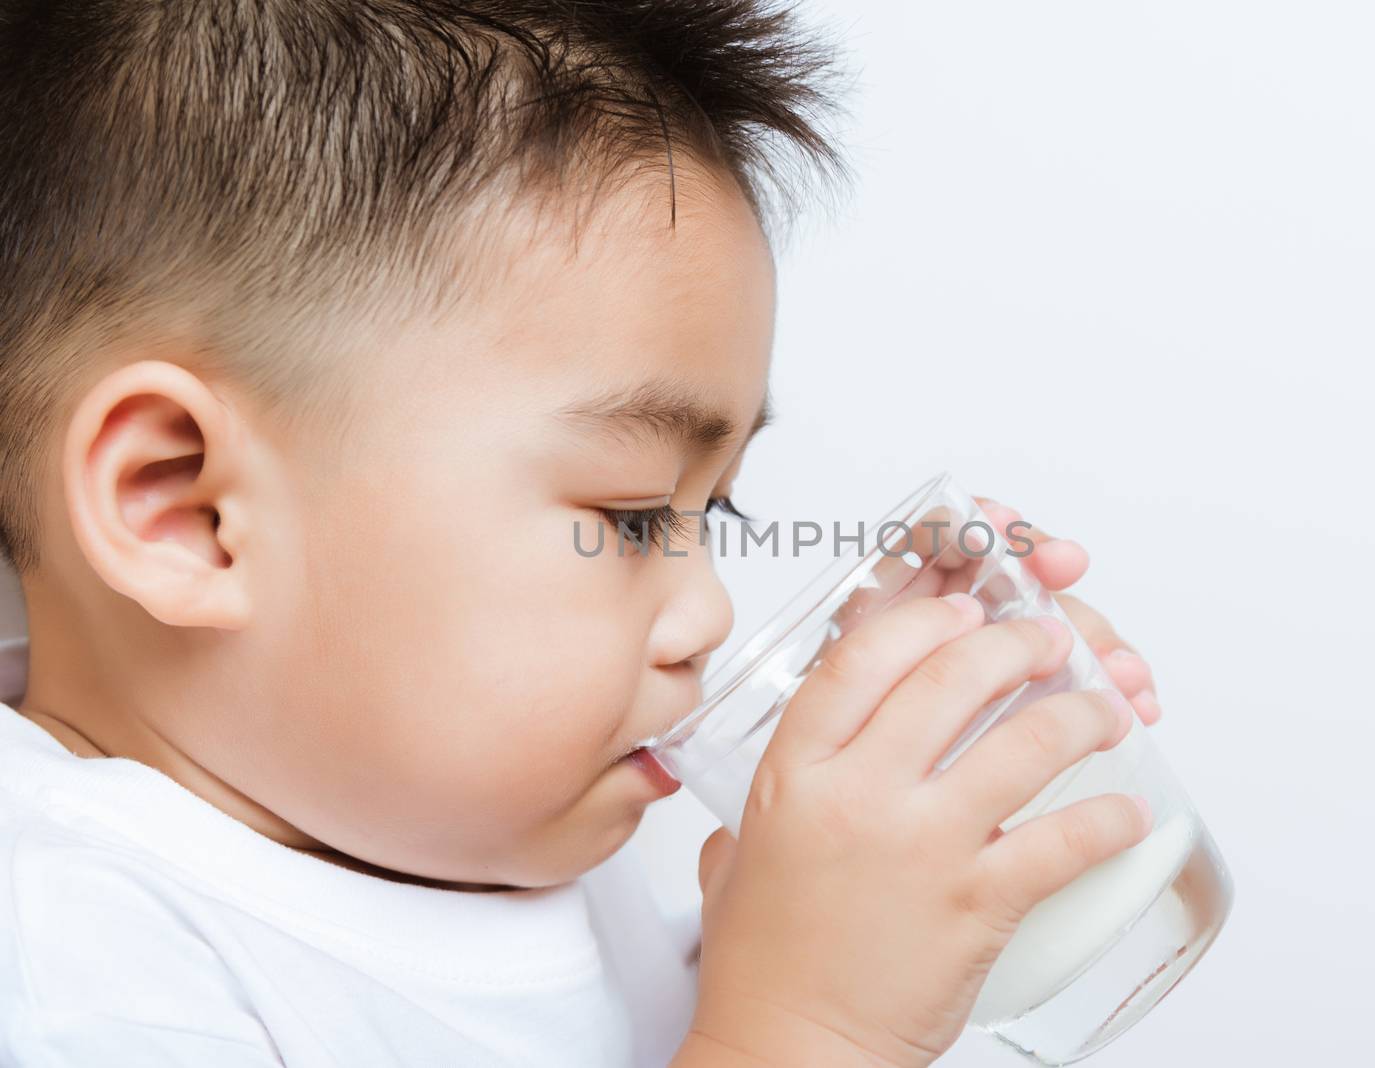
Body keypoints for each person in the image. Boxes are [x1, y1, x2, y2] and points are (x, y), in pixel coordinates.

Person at [0, 3, 1164, 1065]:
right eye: (628, 515)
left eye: (715, 512)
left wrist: (863, 859)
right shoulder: (80, 974)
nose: (707, 612)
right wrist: (813, 1029)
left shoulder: (463, 825)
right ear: (186, 510)